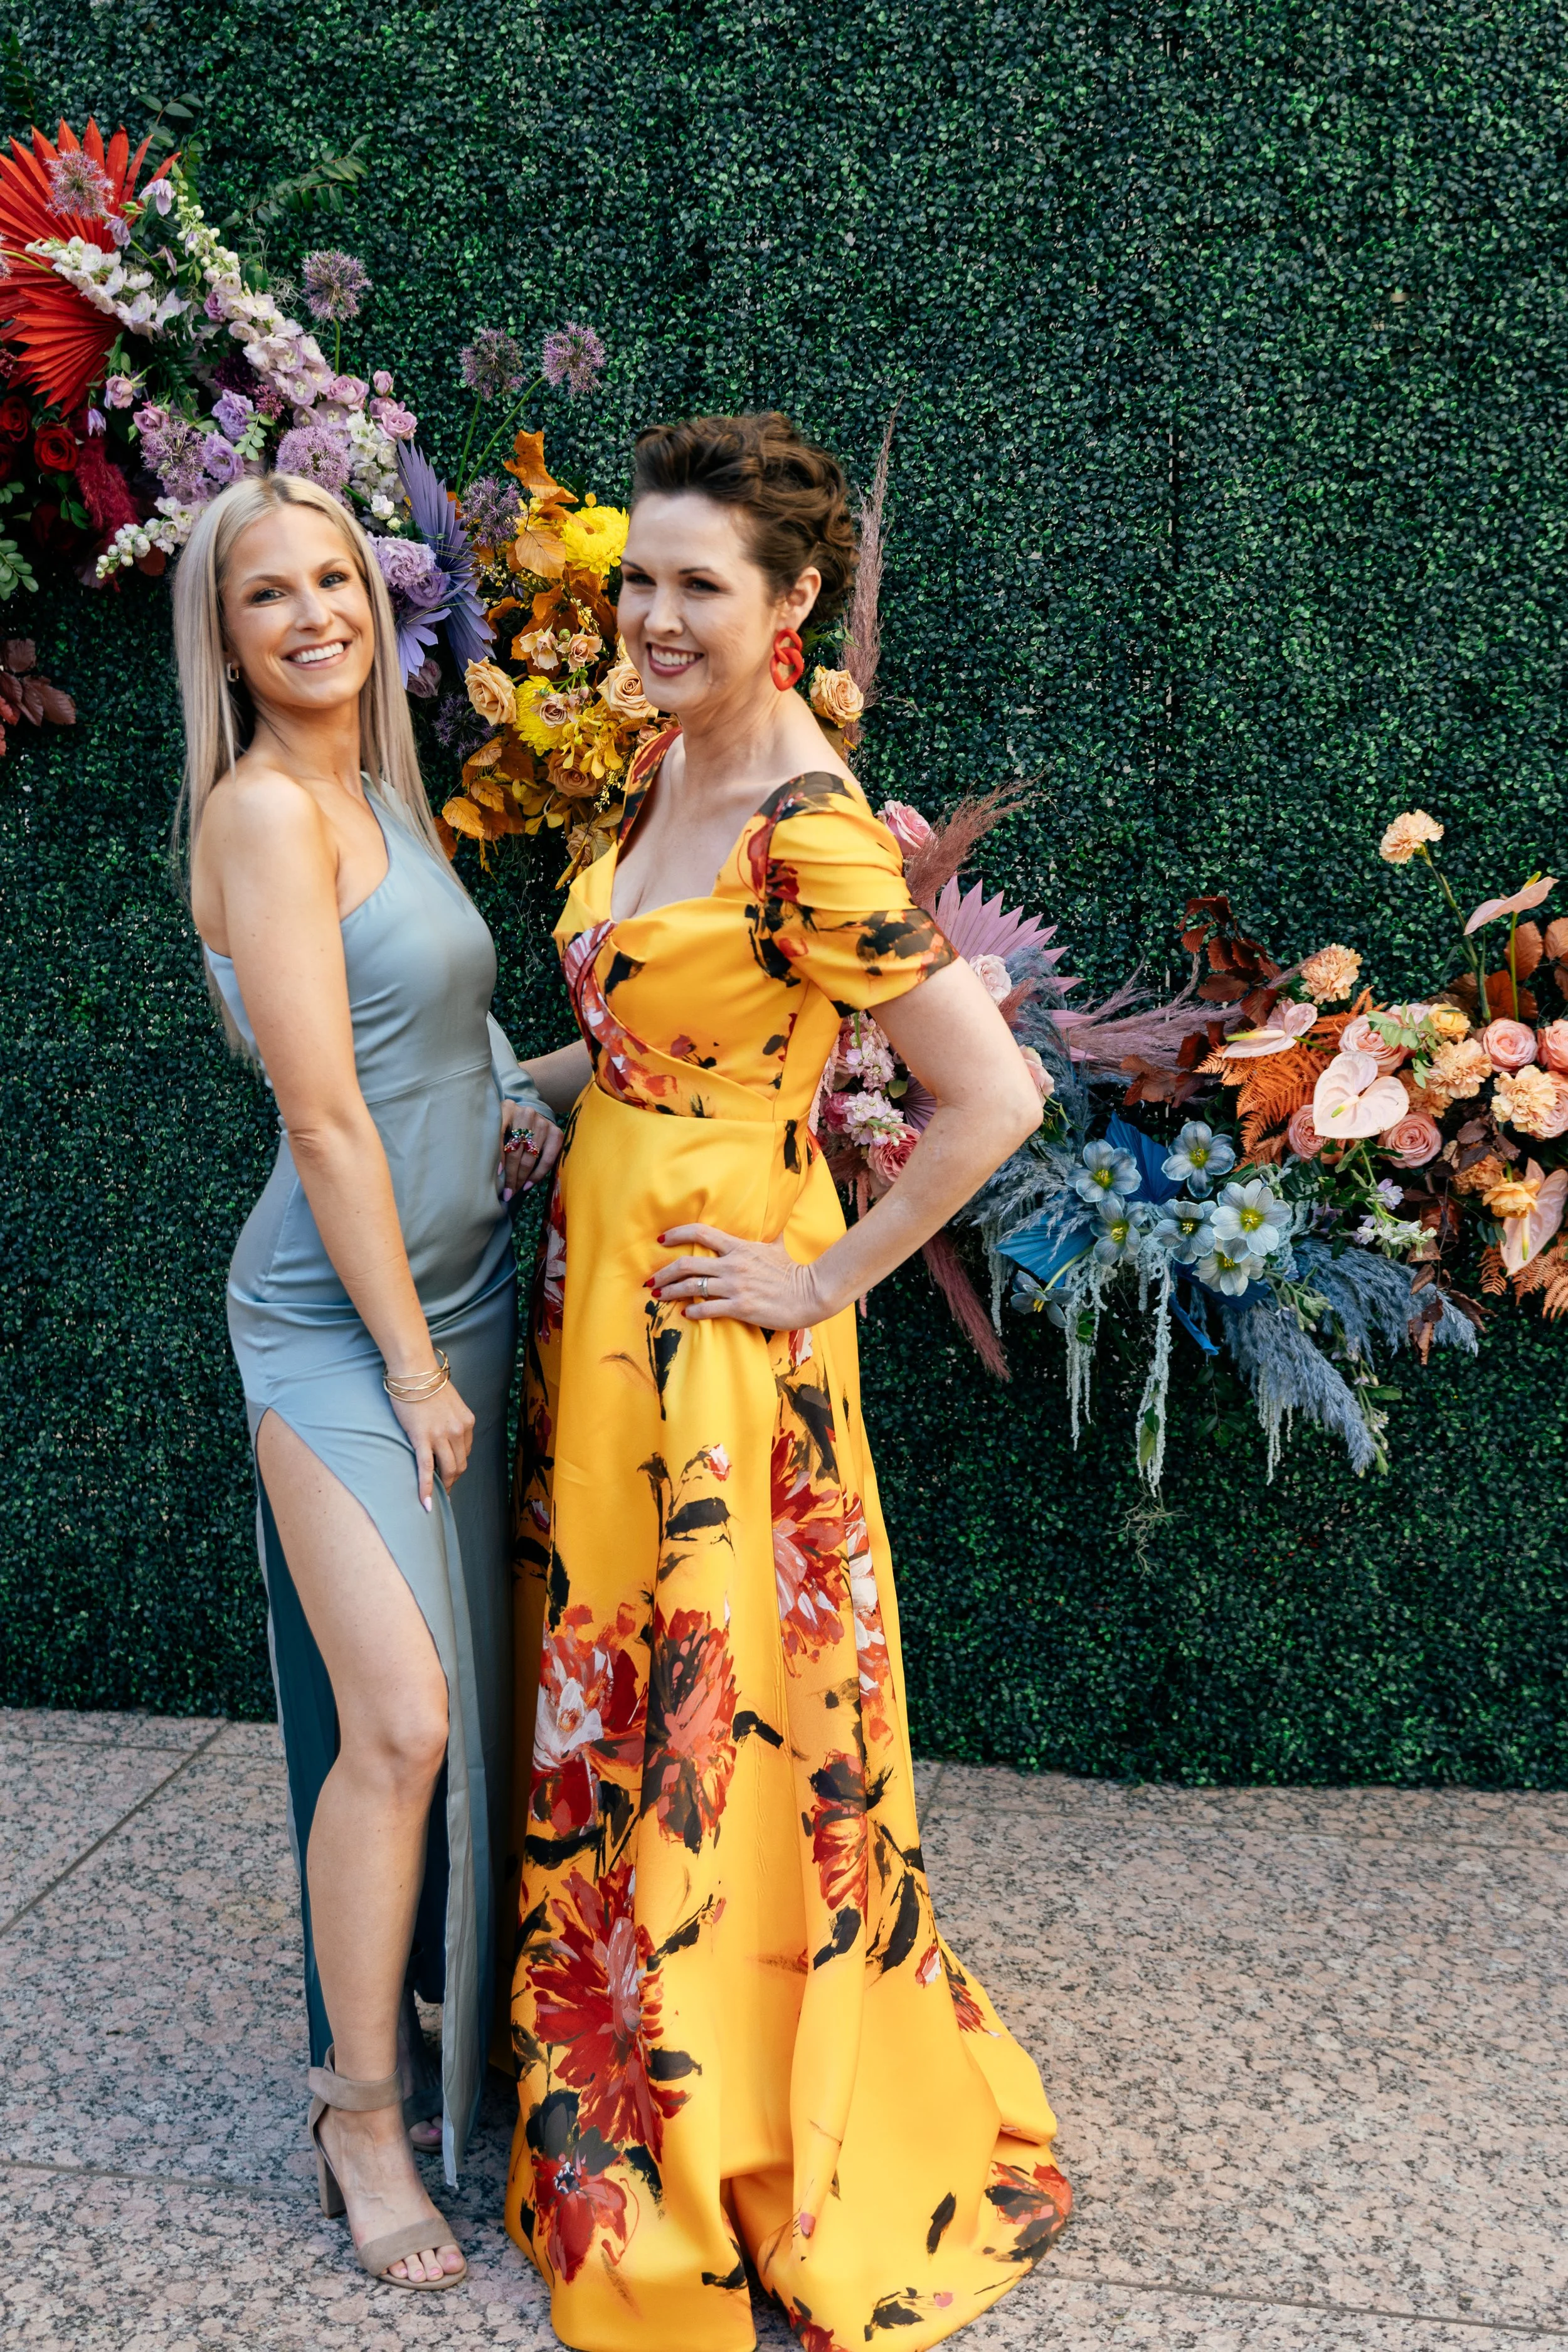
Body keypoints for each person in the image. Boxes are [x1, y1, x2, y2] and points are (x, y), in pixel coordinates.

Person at [504, 413, 1071, 2349]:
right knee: (627, 1671)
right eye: (635, 578)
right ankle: (623, 2064)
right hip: (601, 1317)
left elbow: (988, 1093)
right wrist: (528, 1099)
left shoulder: (812, 824)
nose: (652, 616)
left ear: (790, 603)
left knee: (713, 1706)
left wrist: (817, 1273)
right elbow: (651, 1031)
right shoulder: (670, 762)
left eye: (697, 587)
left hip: (712, 1352)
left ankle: (720, 2118)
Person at [177, 471, 559, 2291]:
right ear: (226, 635)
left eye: (336, 573)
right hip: (340, 1330)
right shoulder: (263, 811)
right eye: (270, 592)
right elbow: (326, 1116)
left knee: (455, 1721)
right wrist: (404, 1363)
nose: (314, 610)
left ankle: (426, 2021)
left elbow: (452, 1076)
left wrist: (699, 1035)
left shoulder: (375, 793)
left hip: (463, 1303)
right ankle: (356, 2114)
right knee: (400, 1719)